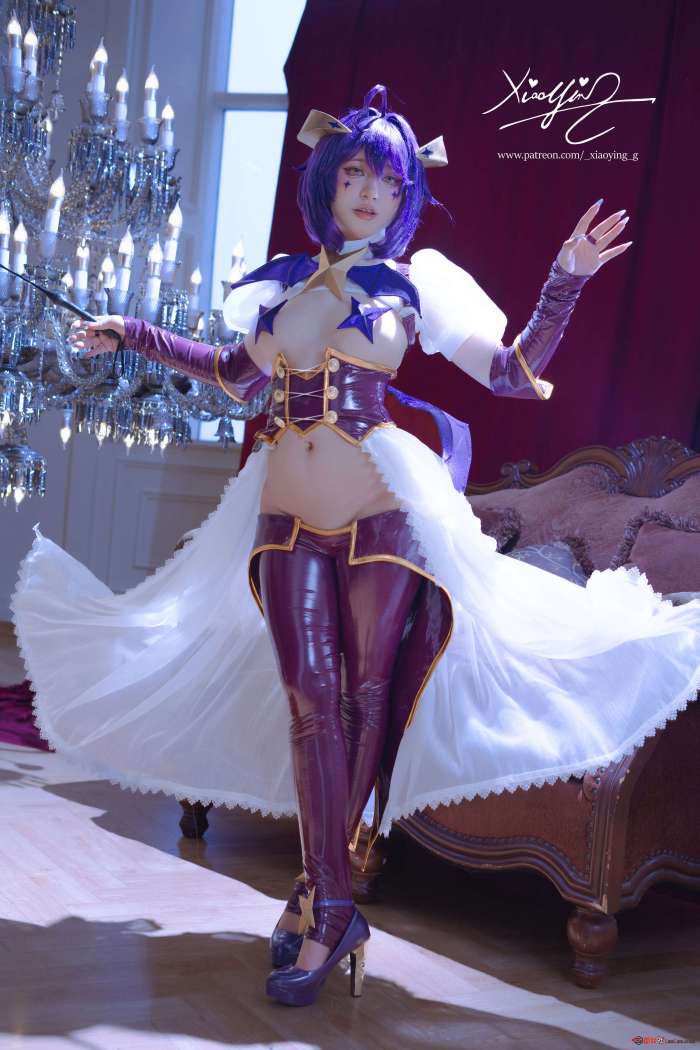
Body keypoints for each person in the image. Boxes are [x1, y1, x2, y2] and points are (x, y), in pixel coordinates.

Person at [12, 85, 700, 1008]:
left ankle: (327, 901)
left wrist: (564, 278)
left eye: (389, 179)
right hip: (284, 514)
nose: (371, 191)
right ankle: (327, 897)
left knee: (364, 702)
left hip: (382, 510)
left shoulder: (418, 285)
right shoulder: (285, 286)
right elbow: (230, 376)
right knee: (309, 701)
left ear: (404, 194)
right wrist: (129, 333)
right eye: (356, 174)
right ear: (328, 184)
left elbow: (511, 372)